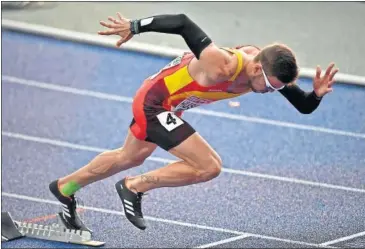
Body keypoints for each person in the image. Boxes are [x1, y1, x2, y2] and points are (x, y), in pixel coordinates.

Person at [49, 13, 339, 231]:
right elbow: (183, 23)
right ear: (256, 66)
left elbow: (303, 107)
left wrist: (315, 94)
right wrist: (134, 27)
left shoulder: (265, 73)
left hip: (170, 108)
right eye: (268, 85)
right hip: (154, 103)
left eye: (276, 88)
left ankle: (65, 188)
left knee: (129, 156)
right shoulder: (223, 64)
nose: (268, 91)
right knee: (209, 166)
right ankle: (134, 187)